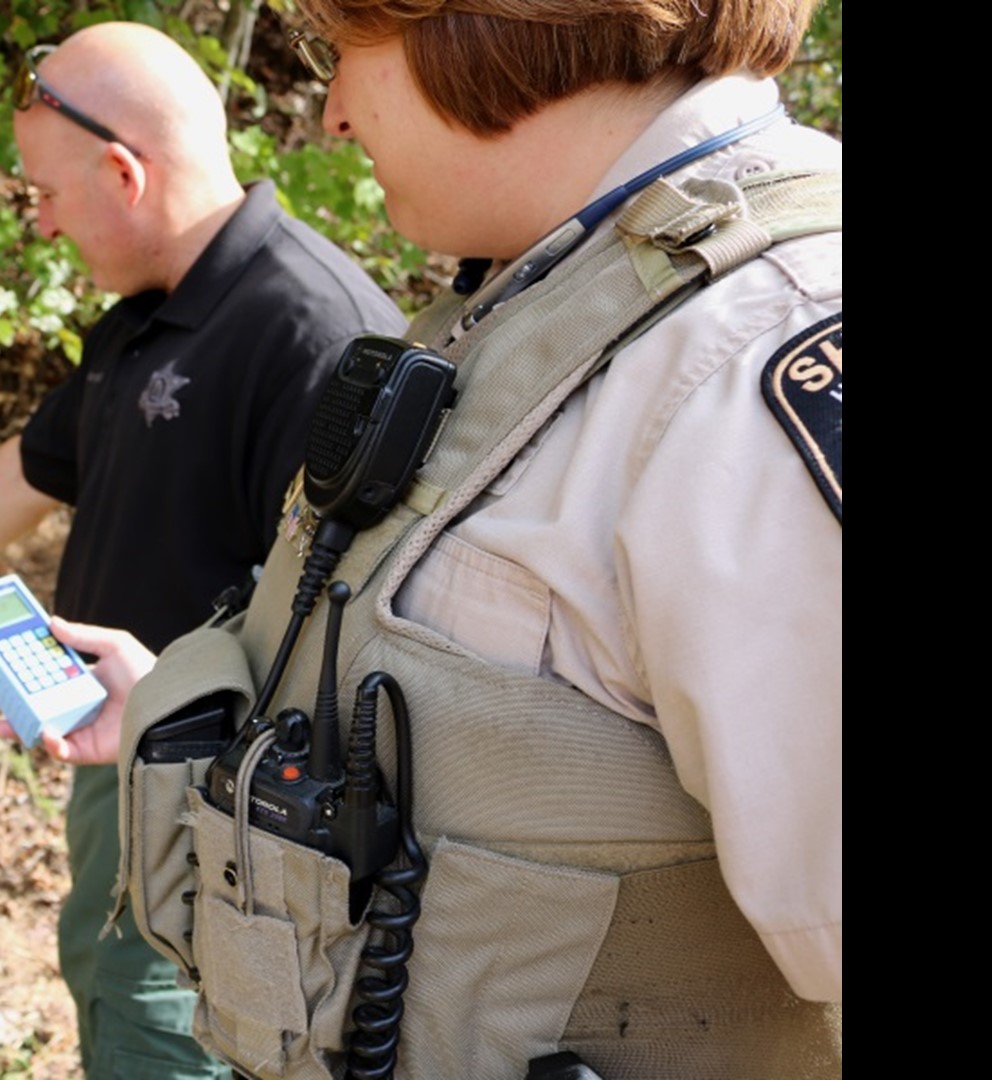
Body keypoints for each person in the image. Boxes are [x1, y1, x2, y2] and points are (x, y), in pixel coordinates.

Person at [63, 2, 842, 1077]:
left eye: (347, 50)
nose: (333, 114)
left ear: (478, 20)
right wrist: (185, 695)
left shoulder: (757, 355)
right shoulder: (555, 290)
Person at [0, 20, 405, 1078]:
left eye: (47, 195)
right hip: (119, 752)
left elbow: (344, 635)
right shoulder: (144, 312)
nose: (44, 224)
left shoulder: (314, 336)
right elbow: (43, 463)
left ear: (123, 171)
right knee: (102, 972)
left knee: (158, 1016)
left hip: (218, 795)